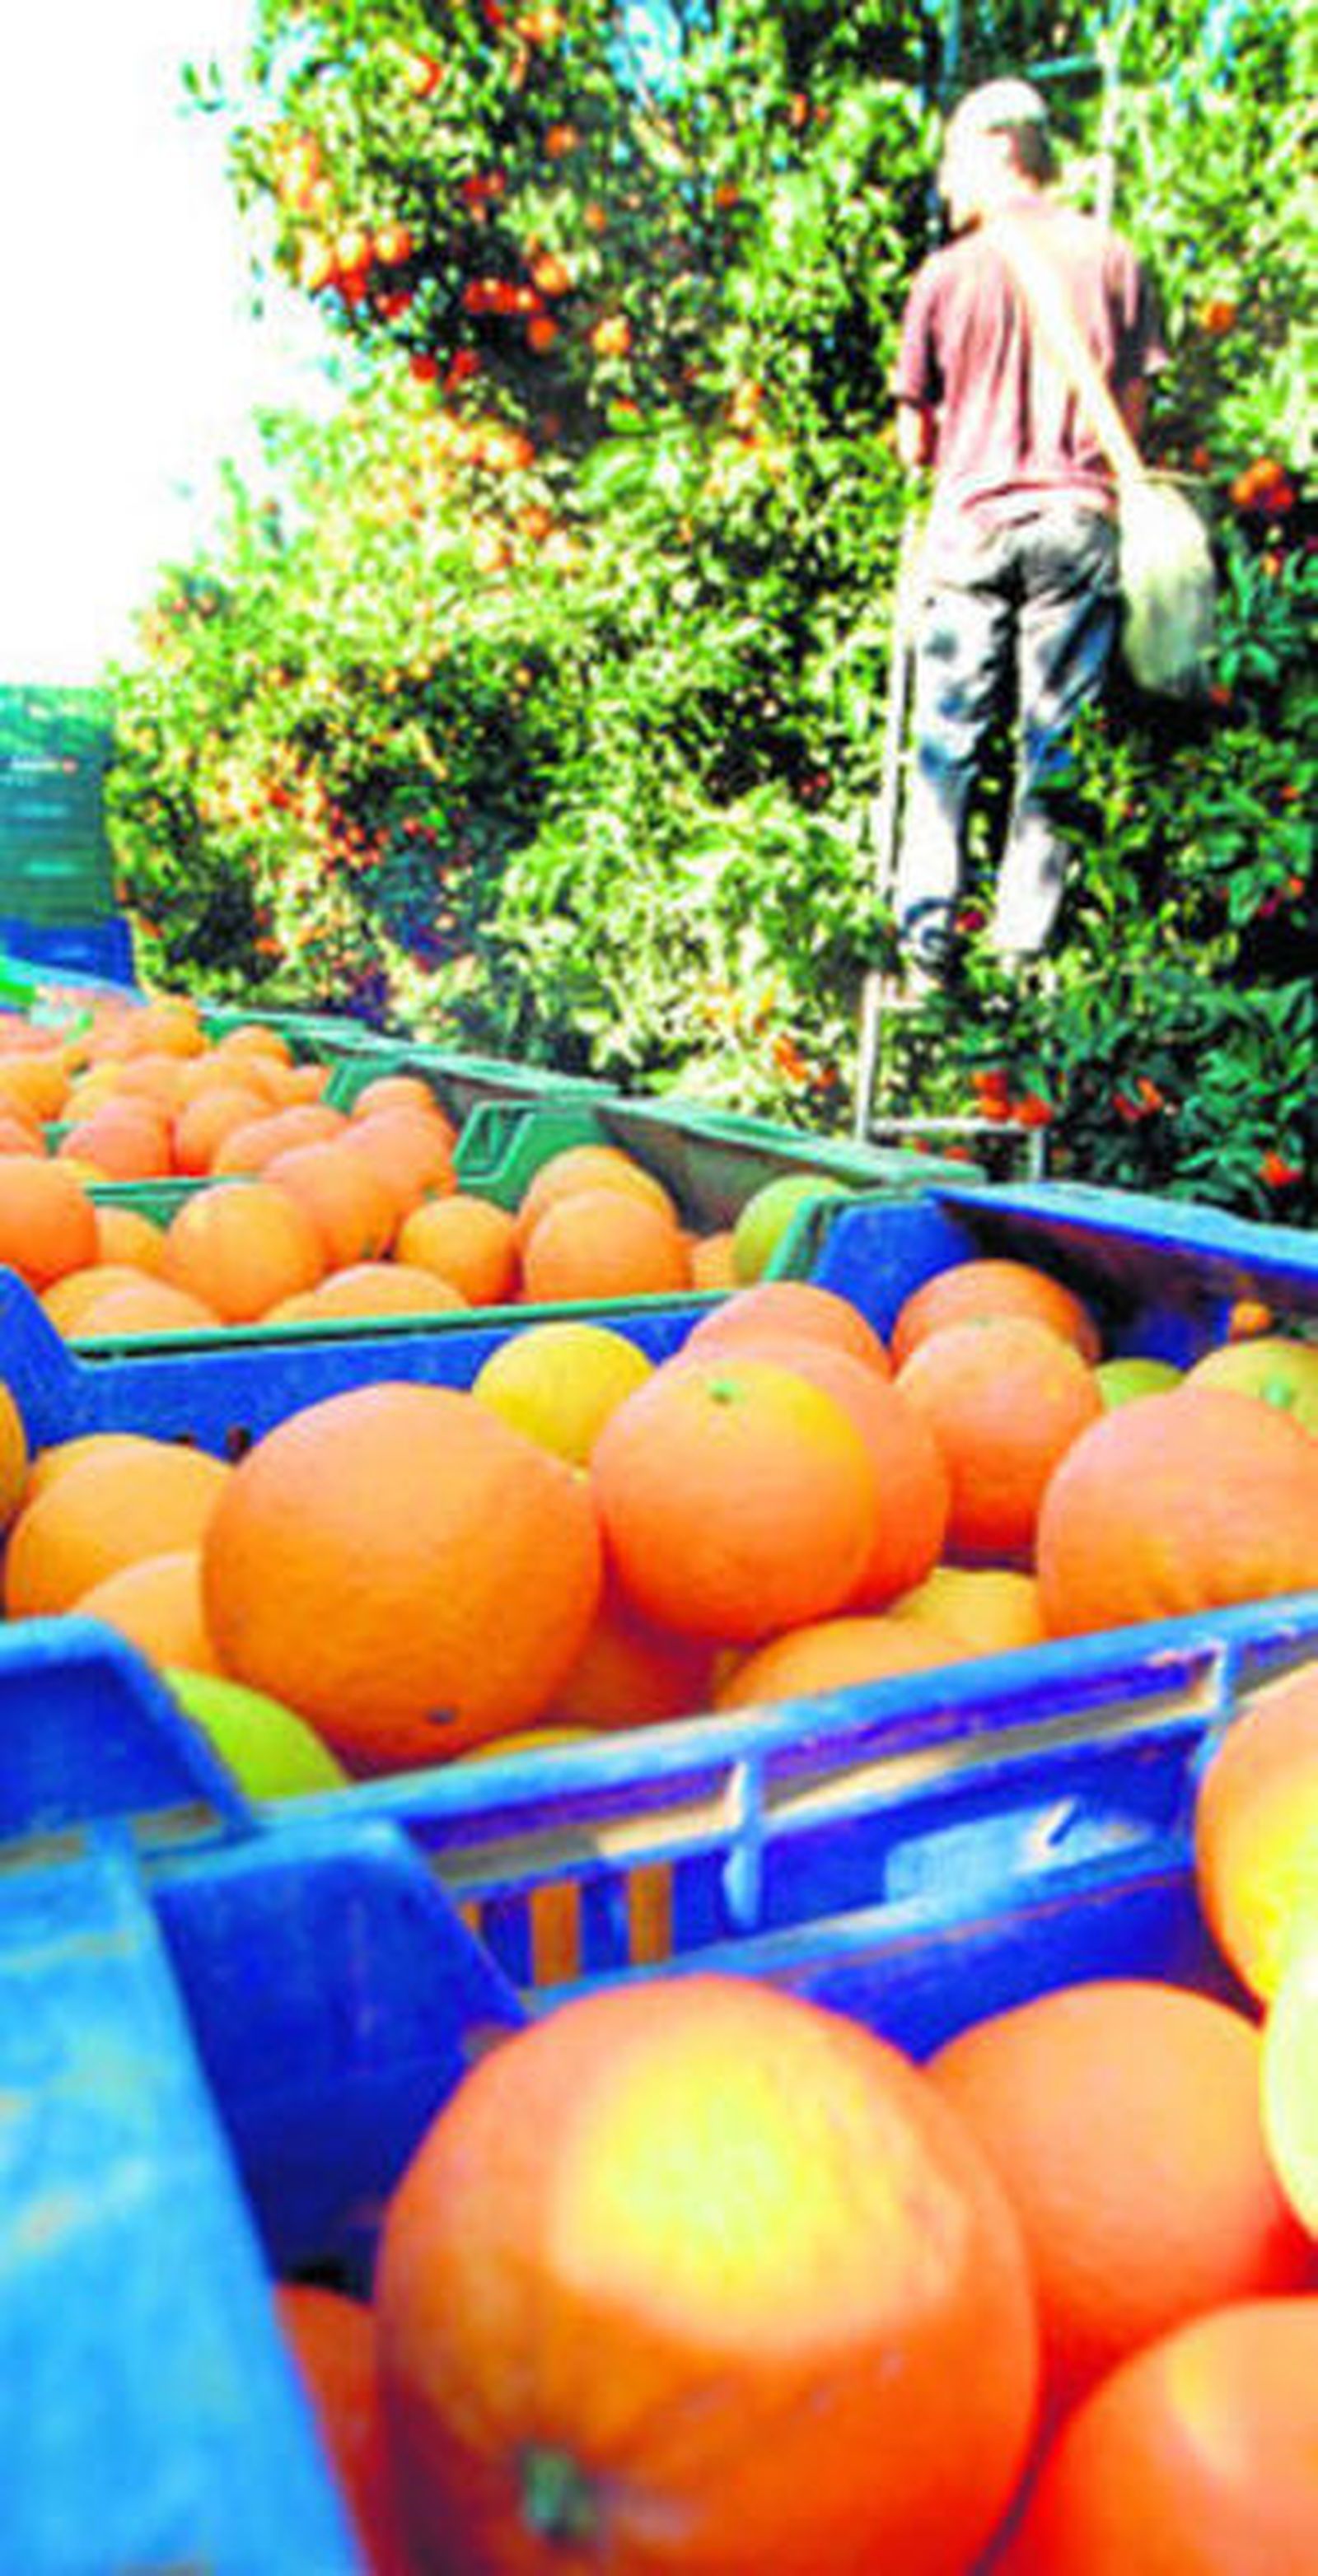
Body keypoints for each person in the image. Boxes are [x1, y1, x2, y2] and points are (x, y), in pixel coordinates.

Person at [890, 77, 1167, 981]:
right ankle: (1022, 946)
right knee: (1053, 740)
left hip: (972, 525)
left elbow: (912, 444)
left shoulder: (945, 276)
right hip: (1076, 519)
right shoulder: (1114, 259)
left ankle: (926, 937)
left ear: (992, 153)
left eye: (953, 164)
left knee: (947, 736)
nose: (948, 185)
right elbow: (1133, 416)